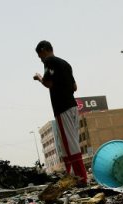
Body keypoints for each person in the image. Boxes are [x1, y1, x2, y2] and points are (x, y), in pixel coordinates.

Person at [33, 40, 87, 186]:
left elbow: (48, 83)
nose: (41, 59)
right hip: (73, 106)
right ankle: (70, 176)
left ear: (44, 51)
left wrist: (39, 77)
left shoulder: (49, 61)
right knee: (68, 144)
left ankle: (81, 178)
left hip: (62, 108)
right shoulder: (66, 64)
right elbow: (75, 87)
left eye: (40, 56)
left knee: (70, 145)